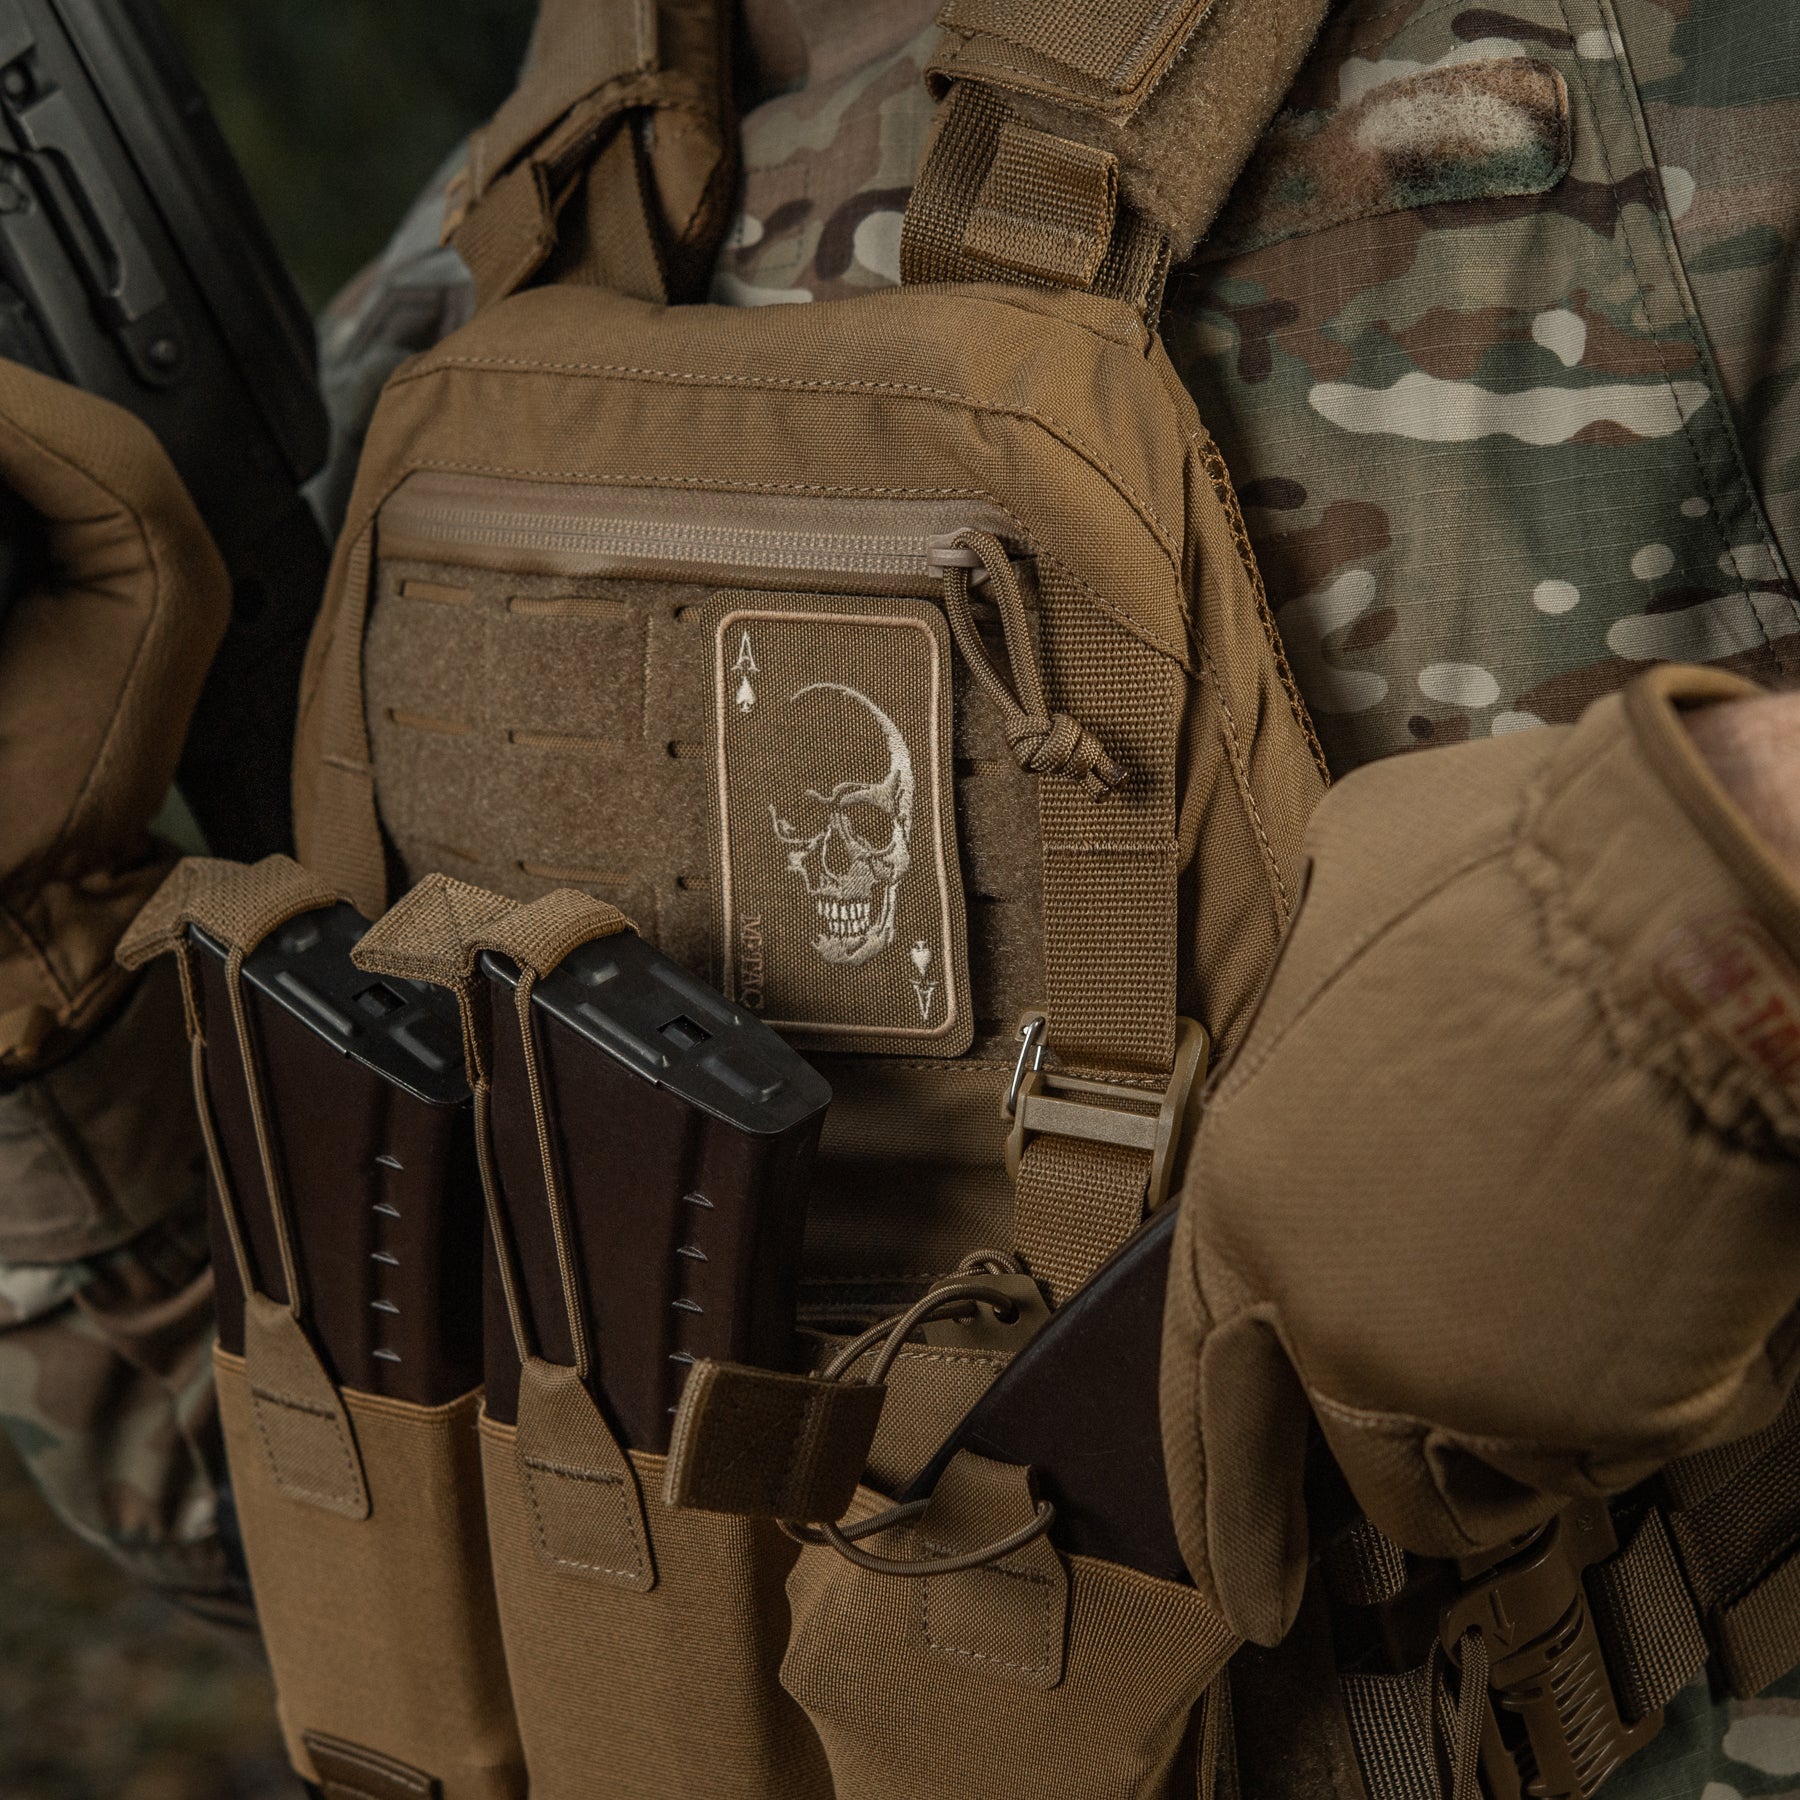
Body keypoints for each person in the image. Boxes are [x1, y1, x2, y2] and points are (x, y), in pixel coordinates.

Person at [1, 0, 1796, 1792]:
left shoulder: (1691, 95)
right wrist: (40, 993)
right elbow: (315, 1556)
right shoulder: (534, 209)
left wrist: (1723, 892)